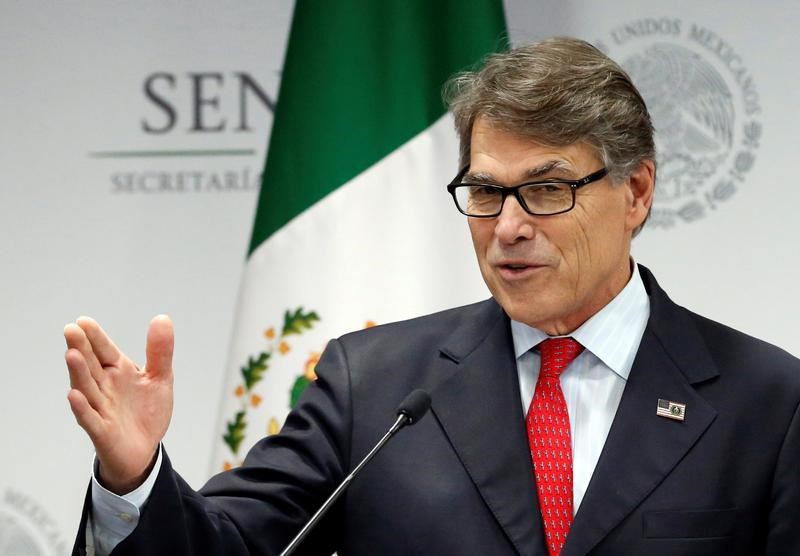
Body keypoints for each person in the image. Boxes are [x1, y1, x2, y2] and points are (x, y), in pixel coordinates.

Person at [65, 37, 800, 556]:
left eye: (545, 189)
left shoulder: (767, 401)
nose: (507, 227)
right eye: (485, 191)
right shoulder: (375, 385)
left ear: (635, 191)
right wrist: (135, 476)